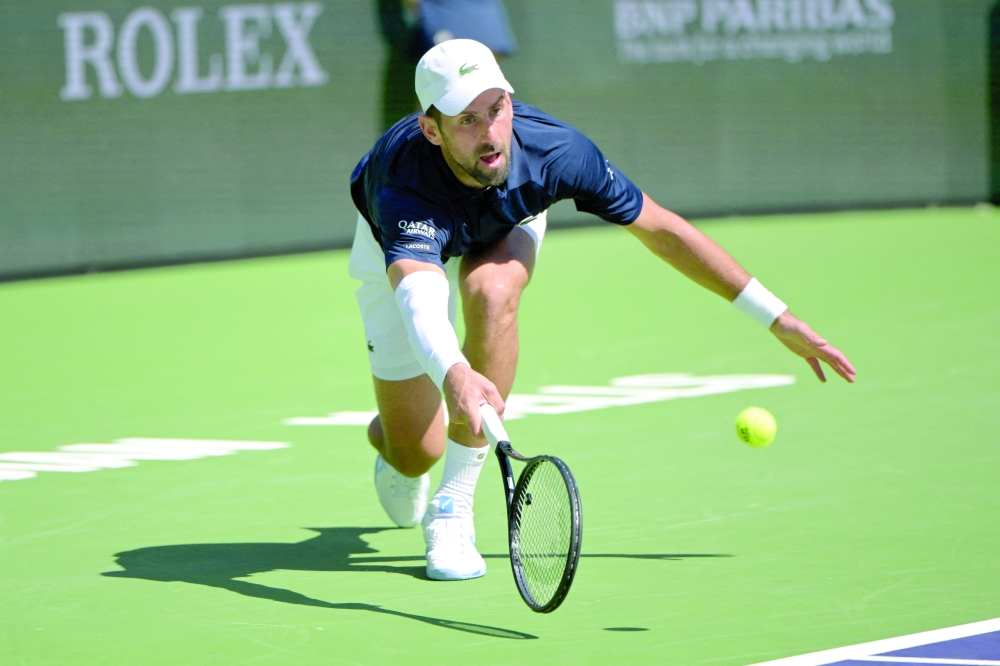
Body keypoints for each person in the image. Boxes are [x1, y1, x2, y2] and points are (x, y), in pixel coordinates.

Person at [348, 39, 856, 581]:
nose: (491, 133)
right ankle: (395, 444)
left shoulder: (556, 152)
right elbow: (420, 297)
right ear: (432, 130)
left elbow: (662, 231)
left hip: (503, 221)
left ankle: (452, 507)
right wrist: (454, 373)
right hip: (399, 252)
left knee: (493, 293)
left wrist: (775, 317)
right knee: (414, 452)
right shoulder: (402, 182)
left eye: (497, 109)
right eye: (467, 120)